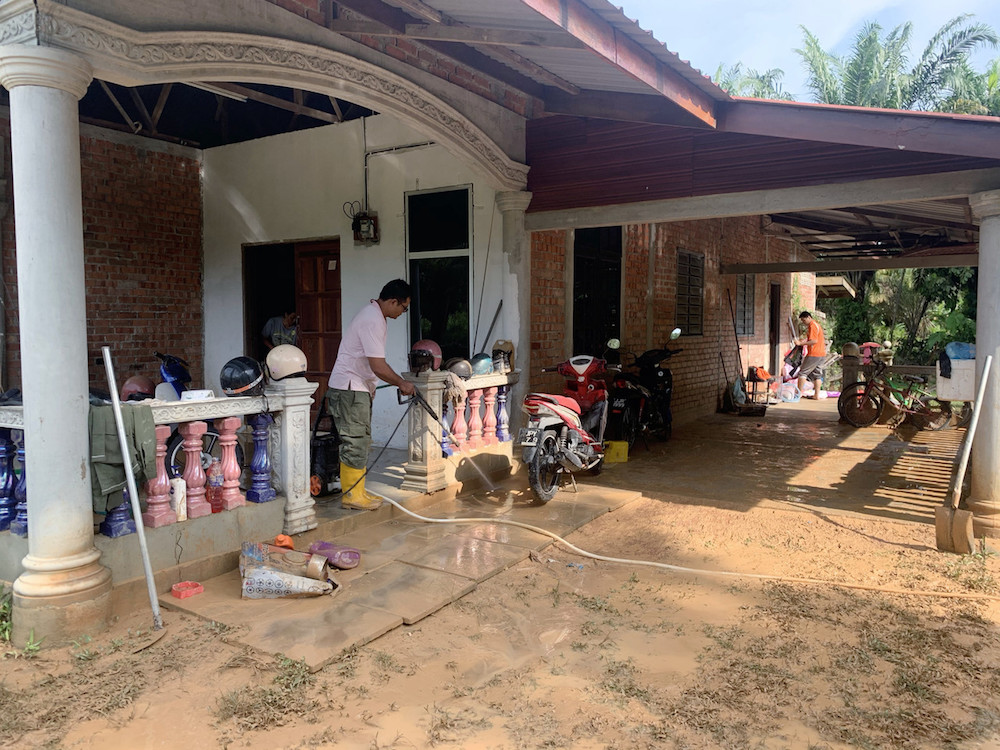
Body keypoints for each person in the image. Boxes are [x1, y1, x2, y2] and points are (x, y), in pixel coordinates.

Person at [325, 279, 416, 511]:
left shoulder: (375, 316)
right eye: (403, 308)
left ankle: (357, 491)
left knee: (361, 440)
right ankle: (352, 496)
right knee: (355, 441)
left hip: (356, 388)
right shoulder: (372, 320)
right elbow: (378, 365)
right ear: (393, 301)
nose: (402, 312)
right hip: (349, 389)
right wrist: (401, 383)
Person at [794, 310, 826, 399]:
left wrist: (800, 344)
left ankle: (798, 394)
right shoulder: (816, 325)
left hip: (814, 354)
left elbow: (814, 341)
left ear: (809, 317)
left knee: (802, 373)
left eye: (804, 320)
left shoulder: (812, 326)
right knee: (817, 375)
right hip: (821, 354)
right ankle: (816, 395)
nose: (804, 323)